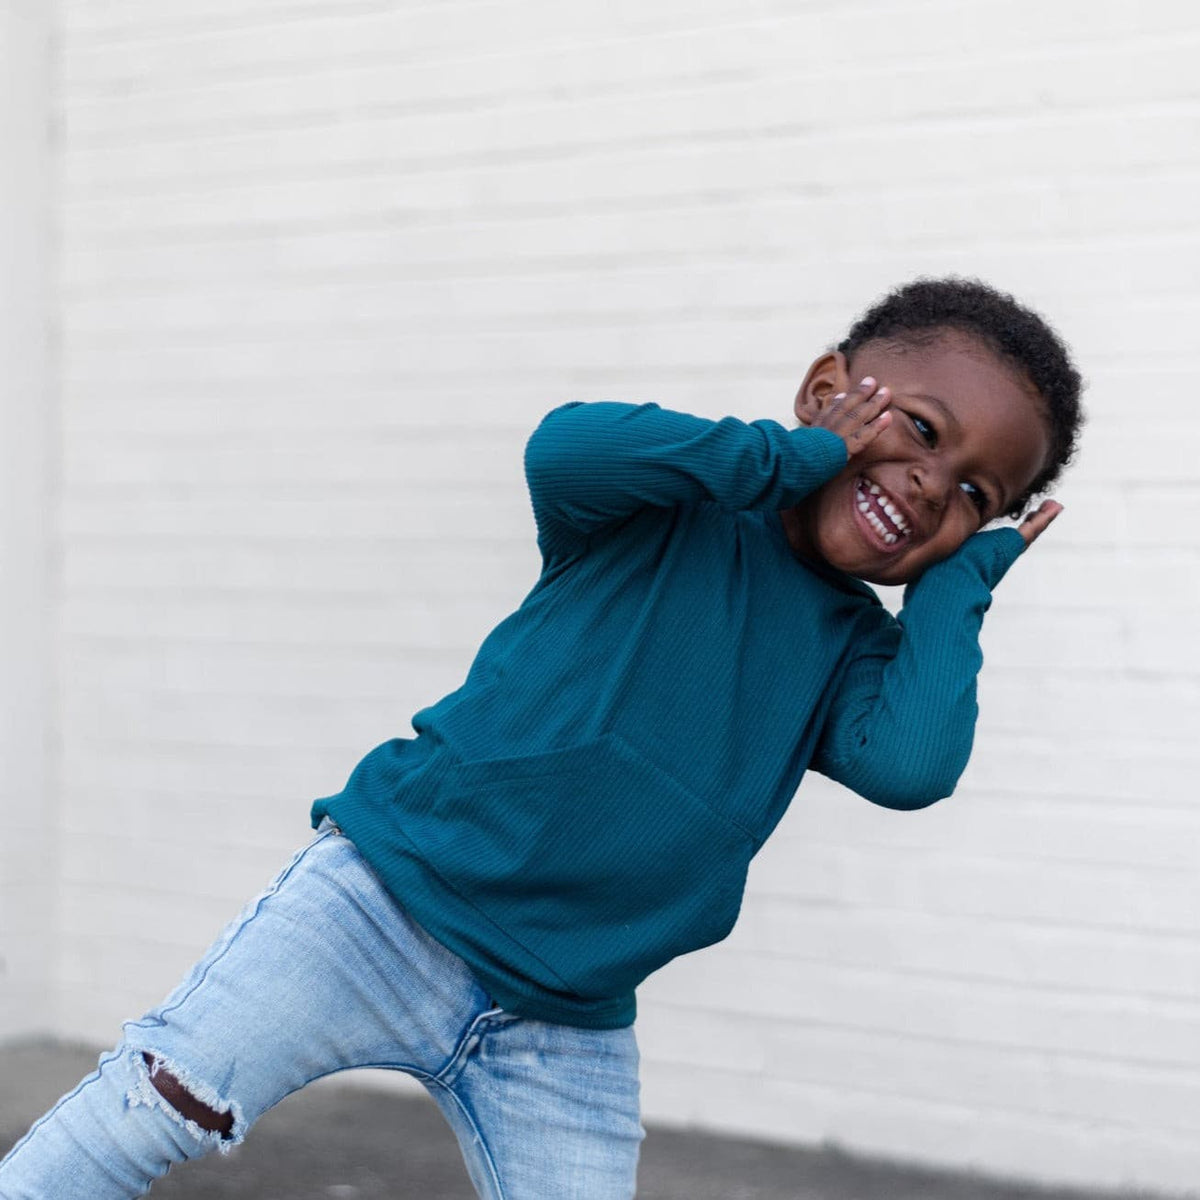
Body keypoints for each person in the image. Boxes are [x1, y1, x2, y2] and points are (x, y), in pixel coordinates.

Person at [0, 277, 1083, 1200]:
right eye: (922, 430)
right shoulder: (673, 507)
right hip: (381, 908)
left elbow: (909, 766)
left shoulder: (852, 651)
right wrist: (784, 458)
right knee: (154, 1109)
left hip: (564, 1017)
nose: (930, 483)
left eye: (973, 494)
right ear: (826, 390)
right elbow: (568, 447)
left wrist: (957, 590)